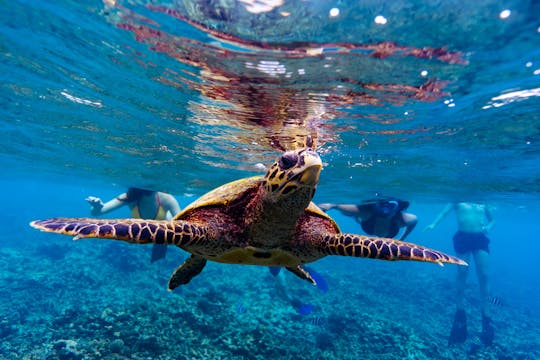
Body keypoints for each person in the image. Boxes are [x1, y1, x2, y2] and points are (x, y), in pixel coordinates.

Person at [424, 202, 495, 346]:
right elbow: (444, 213)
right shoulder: (458, 198)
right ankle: (460, 309)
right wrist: (433, 224)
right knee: (462, 272)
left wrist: (488, 227)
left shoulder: (482, 200)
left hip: (480, 238)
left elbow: (492, 219)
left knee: (484, 275)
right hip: (463, 237)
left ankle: (486, 314)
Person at [86, 187, 181, 262]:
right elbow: (97, 212)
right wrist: (97, 206)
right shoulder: (131, 197)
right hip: (145, 231)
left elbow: (183, 224)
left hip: (163, 230)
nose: (149, 187)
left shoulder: (167, 199)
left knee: (160, 242)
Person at [318, 196, 418, 241]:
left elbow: (415, 221)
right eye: (382, 204)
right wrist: (329, 206)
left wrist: (402, 238)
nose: (385, 209)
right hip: (369, 218)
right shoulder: (366, 213)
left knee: (358, 213)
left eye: (391, 206)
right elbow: (335, 205)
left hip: (370, 222)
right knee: (357, 213)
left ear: (398, 209)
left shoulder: (401, 219)